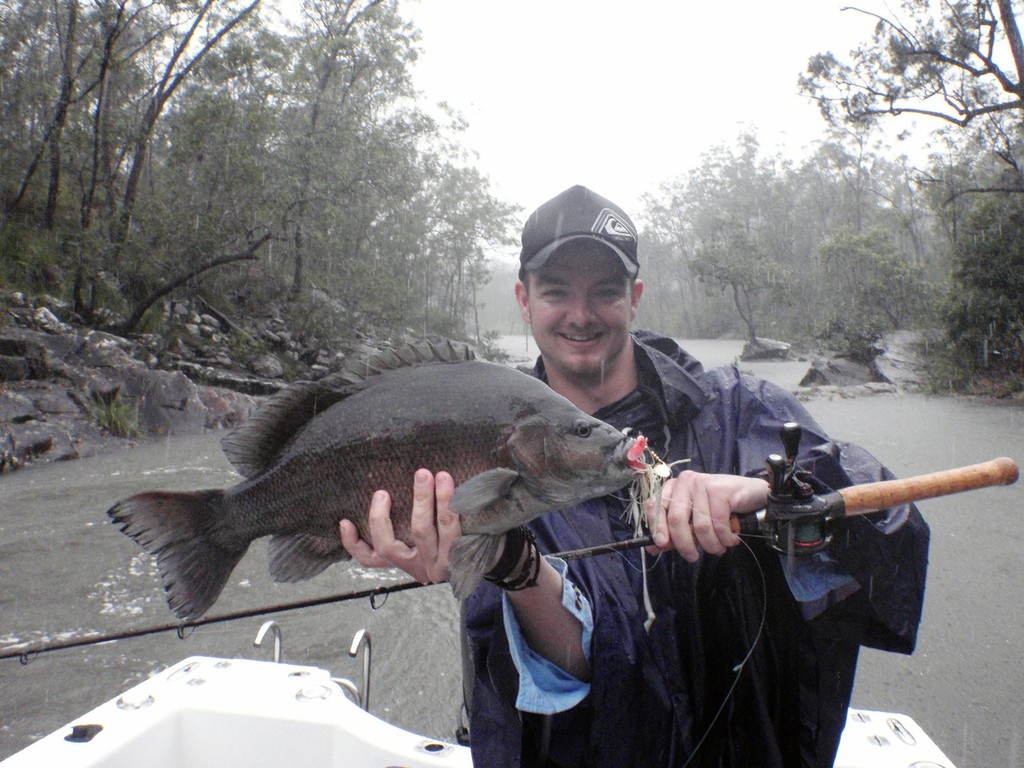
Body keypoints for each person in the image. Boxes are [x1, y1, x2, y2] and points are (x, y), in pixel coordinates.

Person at [340, 185, 930, 767]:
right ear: (523, 299)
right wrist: (509, 566)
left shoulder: (739, 409)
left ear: (635, 295)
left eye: (604, 291)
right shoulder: (484, 440)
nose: (580, 314)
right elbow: (571, 668)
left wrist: (780, 494)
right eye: (555, 292)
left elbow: (893, 528)